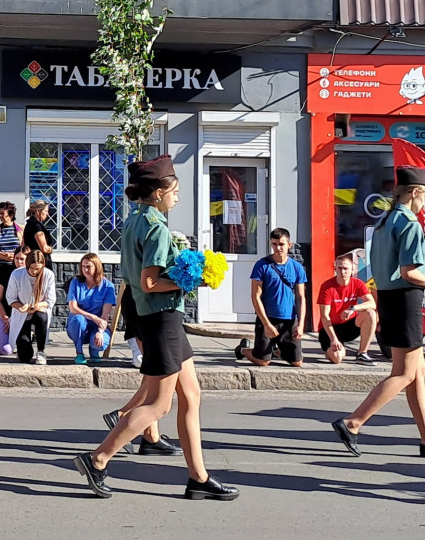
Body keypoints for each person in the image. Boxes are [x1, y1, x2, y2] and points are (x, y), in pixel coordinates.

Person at [75, 155, 238, 501]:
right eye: (174, 190)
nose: (177, 196)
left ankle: (198, 477)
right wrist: (191, 280)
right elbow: (150, 281)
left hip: (157, 318)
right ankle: (98, 459)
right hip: (161, 317)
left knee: (191, 395)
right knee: (159, 405)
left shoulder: (135, 220)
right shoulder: (156, 228)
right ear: (159, 191)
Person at [332, 165, 425, 457]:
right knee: (405, 374)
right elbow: (410, 272)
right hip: (405, 298)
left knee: (417, 372)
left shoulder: (386, 220)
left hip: (388, 297)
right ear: (416, 192)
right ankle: (353, 422)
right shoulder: (410, 224)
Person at [234, 229, 308, 368]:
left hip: (289, 320)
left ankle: (277, 350)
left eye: (281, 244)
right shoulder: (262, 265)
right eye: (274, 244)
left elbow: (300, 297)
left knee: (297, 362)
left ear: (289, 245)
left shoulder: (296, 267)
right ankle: (243, 350)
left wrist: (301, 324)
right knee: (263, 362)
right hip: (267, 318)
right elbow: (255, 296)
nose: (278, 248)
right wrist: (266, 324)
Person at [318, 253, 378, 366]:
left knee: (370, 313)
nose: (342, 272)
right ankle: (332, 349)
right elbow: (325, 316)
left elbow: (372, 303)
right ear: (335, 268)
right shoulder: (327, 286)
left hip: (348, 326)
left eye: (345, 268)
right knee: (337, 358)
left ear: (352, 269)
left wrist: (353, 308)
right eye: (339, 268)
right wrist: (334, 339)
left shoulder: (357, 283)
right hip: (330, 329)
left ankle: (362, 353)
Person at [6, 250, 56, 365]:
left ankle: (41, 351)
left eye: (38, 269)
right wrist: (21, 307)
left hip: (39, 311)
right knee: (25, 357)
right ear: (27, 265)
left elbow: (50, 300)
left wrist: (36, 306)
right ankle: (24, 347)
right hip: (22, 313)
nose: (34, 271)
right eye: (32, 268)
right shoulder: (16, 274)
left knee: (41, 316)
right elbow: (11, 299)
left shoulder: (48, 275)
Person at [67, 253, 117, 364]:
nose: (85, 269)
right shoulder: (75, 283)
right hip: (79, 324)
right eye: (83, 266)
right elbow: (73, 308)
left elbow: (105, 315)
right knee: (78, 319)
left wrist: (100, 331)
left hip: (98, 324)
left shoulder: (108, 286)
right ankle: (79, 353)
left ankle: (94, 351)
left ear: (97, 267)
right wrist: (93, 317)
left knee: (101, 341)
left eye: (88, 266)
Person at [0, 202, 23, 355]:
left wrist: (15, 257)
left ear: (11, 214)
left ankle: (19, 331)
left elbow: (24, 250)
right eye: (0, 213)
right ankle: (5, 322)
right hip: (2, 269)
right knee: (2, 298)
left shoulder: (20, 229)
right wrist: (3, 255)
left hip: (16, 269)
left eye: (4, 213)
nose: (1, 216)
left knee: (17, 297)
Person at [23, 200, 54, 266]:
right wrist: (51, 249)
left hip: (32, 261)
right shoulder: (36, 226)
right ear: (38, 211)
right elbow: (44, 248)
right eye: (45, 211)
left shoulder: (30, 224)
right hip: (39, 262)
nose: (47, 214)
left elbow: (23, 244)